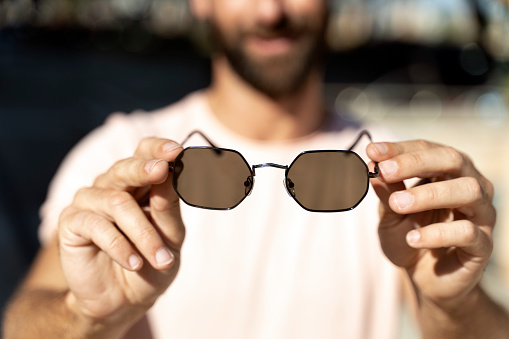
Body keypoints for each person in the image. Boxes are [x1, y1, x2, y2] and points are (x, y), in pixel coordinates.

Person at [3, 0, 509, 338]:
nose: (272, 11)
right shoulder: (117, 153)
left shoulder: (391, 171)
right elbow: (22, 320)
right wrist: (86, 316)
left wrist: (454, 303)